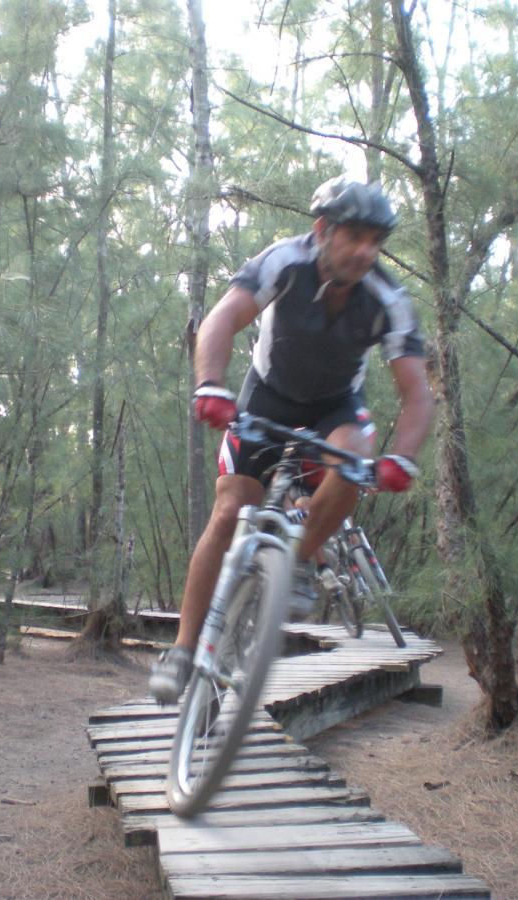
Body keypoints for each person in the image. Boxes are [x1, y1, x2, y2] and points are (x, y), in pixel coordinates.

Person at [150, 175, 434, 703]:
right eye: (354, 237)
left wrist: (404, 459)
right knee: (230, 510)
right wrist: (210, 384)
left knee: (357, 459)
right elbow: (222, 320)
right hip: (269, 395)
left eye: (376, 242)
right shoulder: (285, 261)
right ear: (323, 229)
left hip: (334, 408)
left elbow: (417, 392)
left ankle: (298, 562)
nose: (366, 252)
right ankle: (184, 649)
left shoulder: (387, 298)